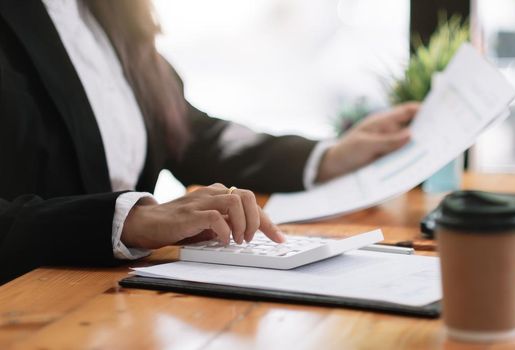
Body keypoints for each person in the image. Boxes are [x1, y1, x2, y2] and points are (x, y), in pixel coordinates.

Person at [0, 0, 419, 284]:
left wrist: (327, 155)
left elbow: (189, 132)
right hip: (33, 300)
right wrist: (127, 219)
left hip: (115, 297)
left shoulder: (111, 13)